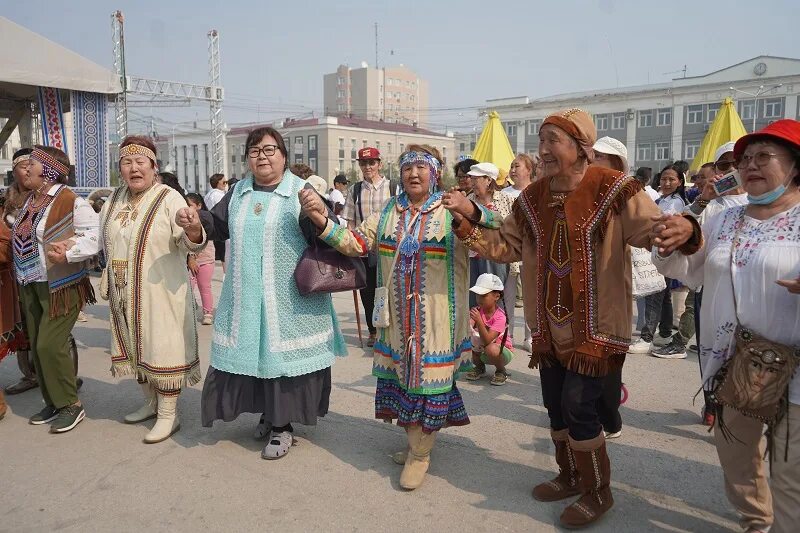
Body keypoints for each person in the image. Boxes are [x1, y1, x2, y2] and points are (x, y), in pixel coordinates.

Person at [442, 108, 700, 528]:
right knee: (555, 406)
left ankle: (598, 491)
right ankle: (569, 475)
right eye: (541, 141)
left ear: (581, 148)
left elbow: (651, 227)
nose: (543, 150)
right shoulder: (532, 197)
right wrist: (466, 224)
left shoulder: (614, 188)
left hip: (597, 325)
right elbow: (507, 246)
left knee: (580, 407)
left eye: (553, 141)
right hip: (549, 326)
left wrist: (682, 228)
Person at [652, 119, 800, 533]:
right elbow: (684, 268)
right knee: (736, 455)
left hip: (797, 368)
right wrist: (676, 239)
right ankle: (756, 520)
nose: (750, 165)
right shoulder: (723, 217)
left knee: (791, 474)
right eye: (744, 159)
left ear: (795, 165)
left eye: (764, 156)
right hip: (736, 363)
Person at [300, 143, 476, 490]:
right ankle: (417, 444)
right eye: (408, 167)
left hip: (437, 320)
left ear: (435, 173)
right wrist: (320, 218)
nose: (413, 173)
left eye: (422, 167)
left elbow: (487, 238)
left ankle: (420, 454)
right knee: (403, 380)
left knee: (426, 383)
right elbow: (355, 242)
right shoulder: (388, 212)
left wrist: (469, 211)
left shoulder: (448, 210)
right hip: (396, 319)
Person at [199, 126, 346, 460]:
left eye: (268, 150)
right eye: (254, 151)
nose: (261, 156)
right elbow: (215, 225)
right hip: (248, 296)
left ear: (283, 156)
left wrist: (317, 213)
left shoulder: (301, 190)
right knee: (257, 357)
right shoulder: (237, 193)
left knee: (280, 363)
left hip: (288, 301)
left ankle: (283, 428)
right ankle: (268, 414)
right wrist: (195, 223)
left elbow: (325, 232)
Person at [99, 136, 206, 443]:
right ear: (120, 168)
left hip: (160, 290)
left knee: (163, 347)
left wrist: (192, 228)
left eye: (140, 162)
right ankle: (150, 402)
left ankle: (168, 415)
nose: (134, 169)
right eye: (126, 163)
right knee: (135, 346)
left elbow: (187, 244)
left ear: (153, 167)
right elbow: (104, 242)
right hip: (123, 290)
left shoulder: (169, 197)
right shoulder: (114, 199)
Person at [12, 146, 99, 433]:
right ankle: (53, 401)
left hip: (61, 285)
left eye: (32, 164)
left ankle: (71, 405)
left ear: (48, 170)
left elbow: (94, 238)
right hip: (31, 282)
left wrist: (69, 251)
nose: (26, 169)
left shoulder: (71, 200)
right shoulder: (31, 201)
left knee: (49, 344)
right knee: (37, 346)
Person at [590, 137, 632, 439]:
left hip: (610, 288)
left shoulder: (625, 196)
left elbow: (647, 225)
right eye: (592, 157)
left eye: (601, 158)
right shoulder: (575, 193)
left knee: (608, 357)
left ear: (616, 165)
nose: (593, 163)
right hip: (577, 292)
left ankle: (610, 419)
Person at [629, 163, 689, 357]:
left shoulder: (676, 202)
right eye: (664, 178)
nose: (667, 182)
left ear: (680, 181)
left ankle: (646, 338)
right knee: (663, 298)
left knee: (654, 295)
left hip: (665, 252)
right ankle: (663, 332)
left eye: (671, 179)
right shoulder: (662, 198)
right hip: (659, 253)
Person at [341, 146, 397, 347]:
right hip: (364, 252)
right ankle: (373, 331)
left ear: (379, 164)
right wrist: (350, 247)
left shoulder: (393, 188)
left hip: (389, 250)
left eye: (372, 163)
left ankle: (389, 330)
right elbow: (349, 222)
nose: (368, 167)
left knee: (389, 290)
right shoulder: (355, 190)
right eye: (364, 163)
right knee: (368, 293)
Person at [3, 149, 38, 395]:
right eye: (22, 166)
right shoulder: (9, 200)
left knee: (48, 328)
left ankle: (62, 376)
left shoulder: (48, 197)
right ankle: (30, 375)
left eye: (31, 165)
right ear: (14, 171)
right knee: (23, 327)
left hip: (44, 272)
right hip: (14, 275)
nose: (27, 170)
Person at [465, 162, 514, 309]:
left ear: (488, 180)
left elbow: (514, 227)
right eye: (471, 179)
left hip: (497, 256)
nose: (472, 183)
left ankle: (495, 330)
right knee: (474, 299)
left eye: (476, 179)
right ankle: (475, 331)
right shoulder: (468, 200)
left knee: (493, 299)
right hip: (473, 256)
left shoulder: (506, 199)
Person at [503, 153, 536, 351]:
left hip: (531, 252)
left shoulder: (537, 191)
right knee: (508, 296)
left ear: (529, 170)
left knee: (531, 296)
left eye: (517, 166)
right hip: (509, 252)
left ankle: (530, 336)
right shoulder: (504, 193)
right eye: (511, 166)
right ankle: (507, 336)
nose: (513, 170)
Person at [467, 273, 514, 385]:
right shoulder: (477, 311)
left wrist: (478, 321)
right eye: (477, 295)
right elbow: (467, 329)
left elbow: (487, 340)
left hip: (501, 352)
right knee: (467, 342)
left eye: (483, 295)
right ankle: (480, 367)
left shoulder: (500, 317)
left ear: (496, 296)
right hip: (482, 349)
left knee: (491, 348)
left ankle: (501, 370)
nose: (479, 299)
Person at [186, 193, 216, 325]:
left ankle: (208, 313)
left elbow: (201, 242)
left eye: (190, 205)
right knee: (188, 288)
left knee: (204, 287)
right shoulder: (184, 222)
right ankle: (191, 309)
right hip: (189, 262)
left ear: (199, 205)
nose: (187, 209)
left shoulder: (205, 220)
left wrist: (193, 257)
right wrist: (190, 258)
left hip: (205, 260)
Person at [204, 173, 228, 270]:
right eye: (224, 182)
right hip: (220, 225)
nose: (225, 184)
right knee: (225, 254)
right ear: (218, 183)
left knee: (221, 253)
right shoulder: (219, 195)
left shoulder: (208, 195)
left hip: (211, 225)